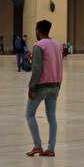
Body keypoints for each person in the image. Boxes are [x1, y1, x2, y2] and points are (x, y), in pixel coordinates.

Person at [25, 20, 63, 157]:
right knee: (52, 117)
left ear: (38, 31)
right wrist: (59, 84)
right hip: (55, 85)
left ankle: (37, 146)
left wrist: (31, 87)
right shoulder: (57, 45)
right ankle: (51, 149)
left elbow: (36, 69)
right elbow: (60, 65)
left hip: (42, 85)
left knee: (29, 114)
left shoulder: (38, 45)